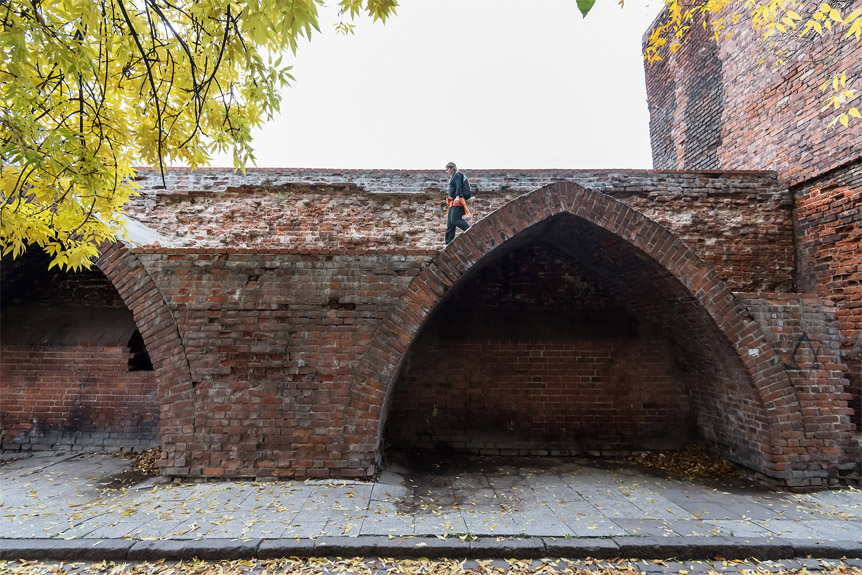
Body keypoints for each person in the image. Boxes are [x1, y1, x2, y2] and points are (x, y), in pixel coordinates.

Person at [444, 161, 471, 244]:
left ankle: (471, 231)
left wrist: (457, 197)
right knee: (450, 223)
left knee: (455, 220)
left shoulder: (457, 174)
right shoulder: (452, 177)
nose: (447, 171)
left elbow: (459, 185)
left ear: (452, 168)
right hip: (452, 202)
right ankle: (448, 243)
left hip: (457, 201)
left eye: (447, 169)